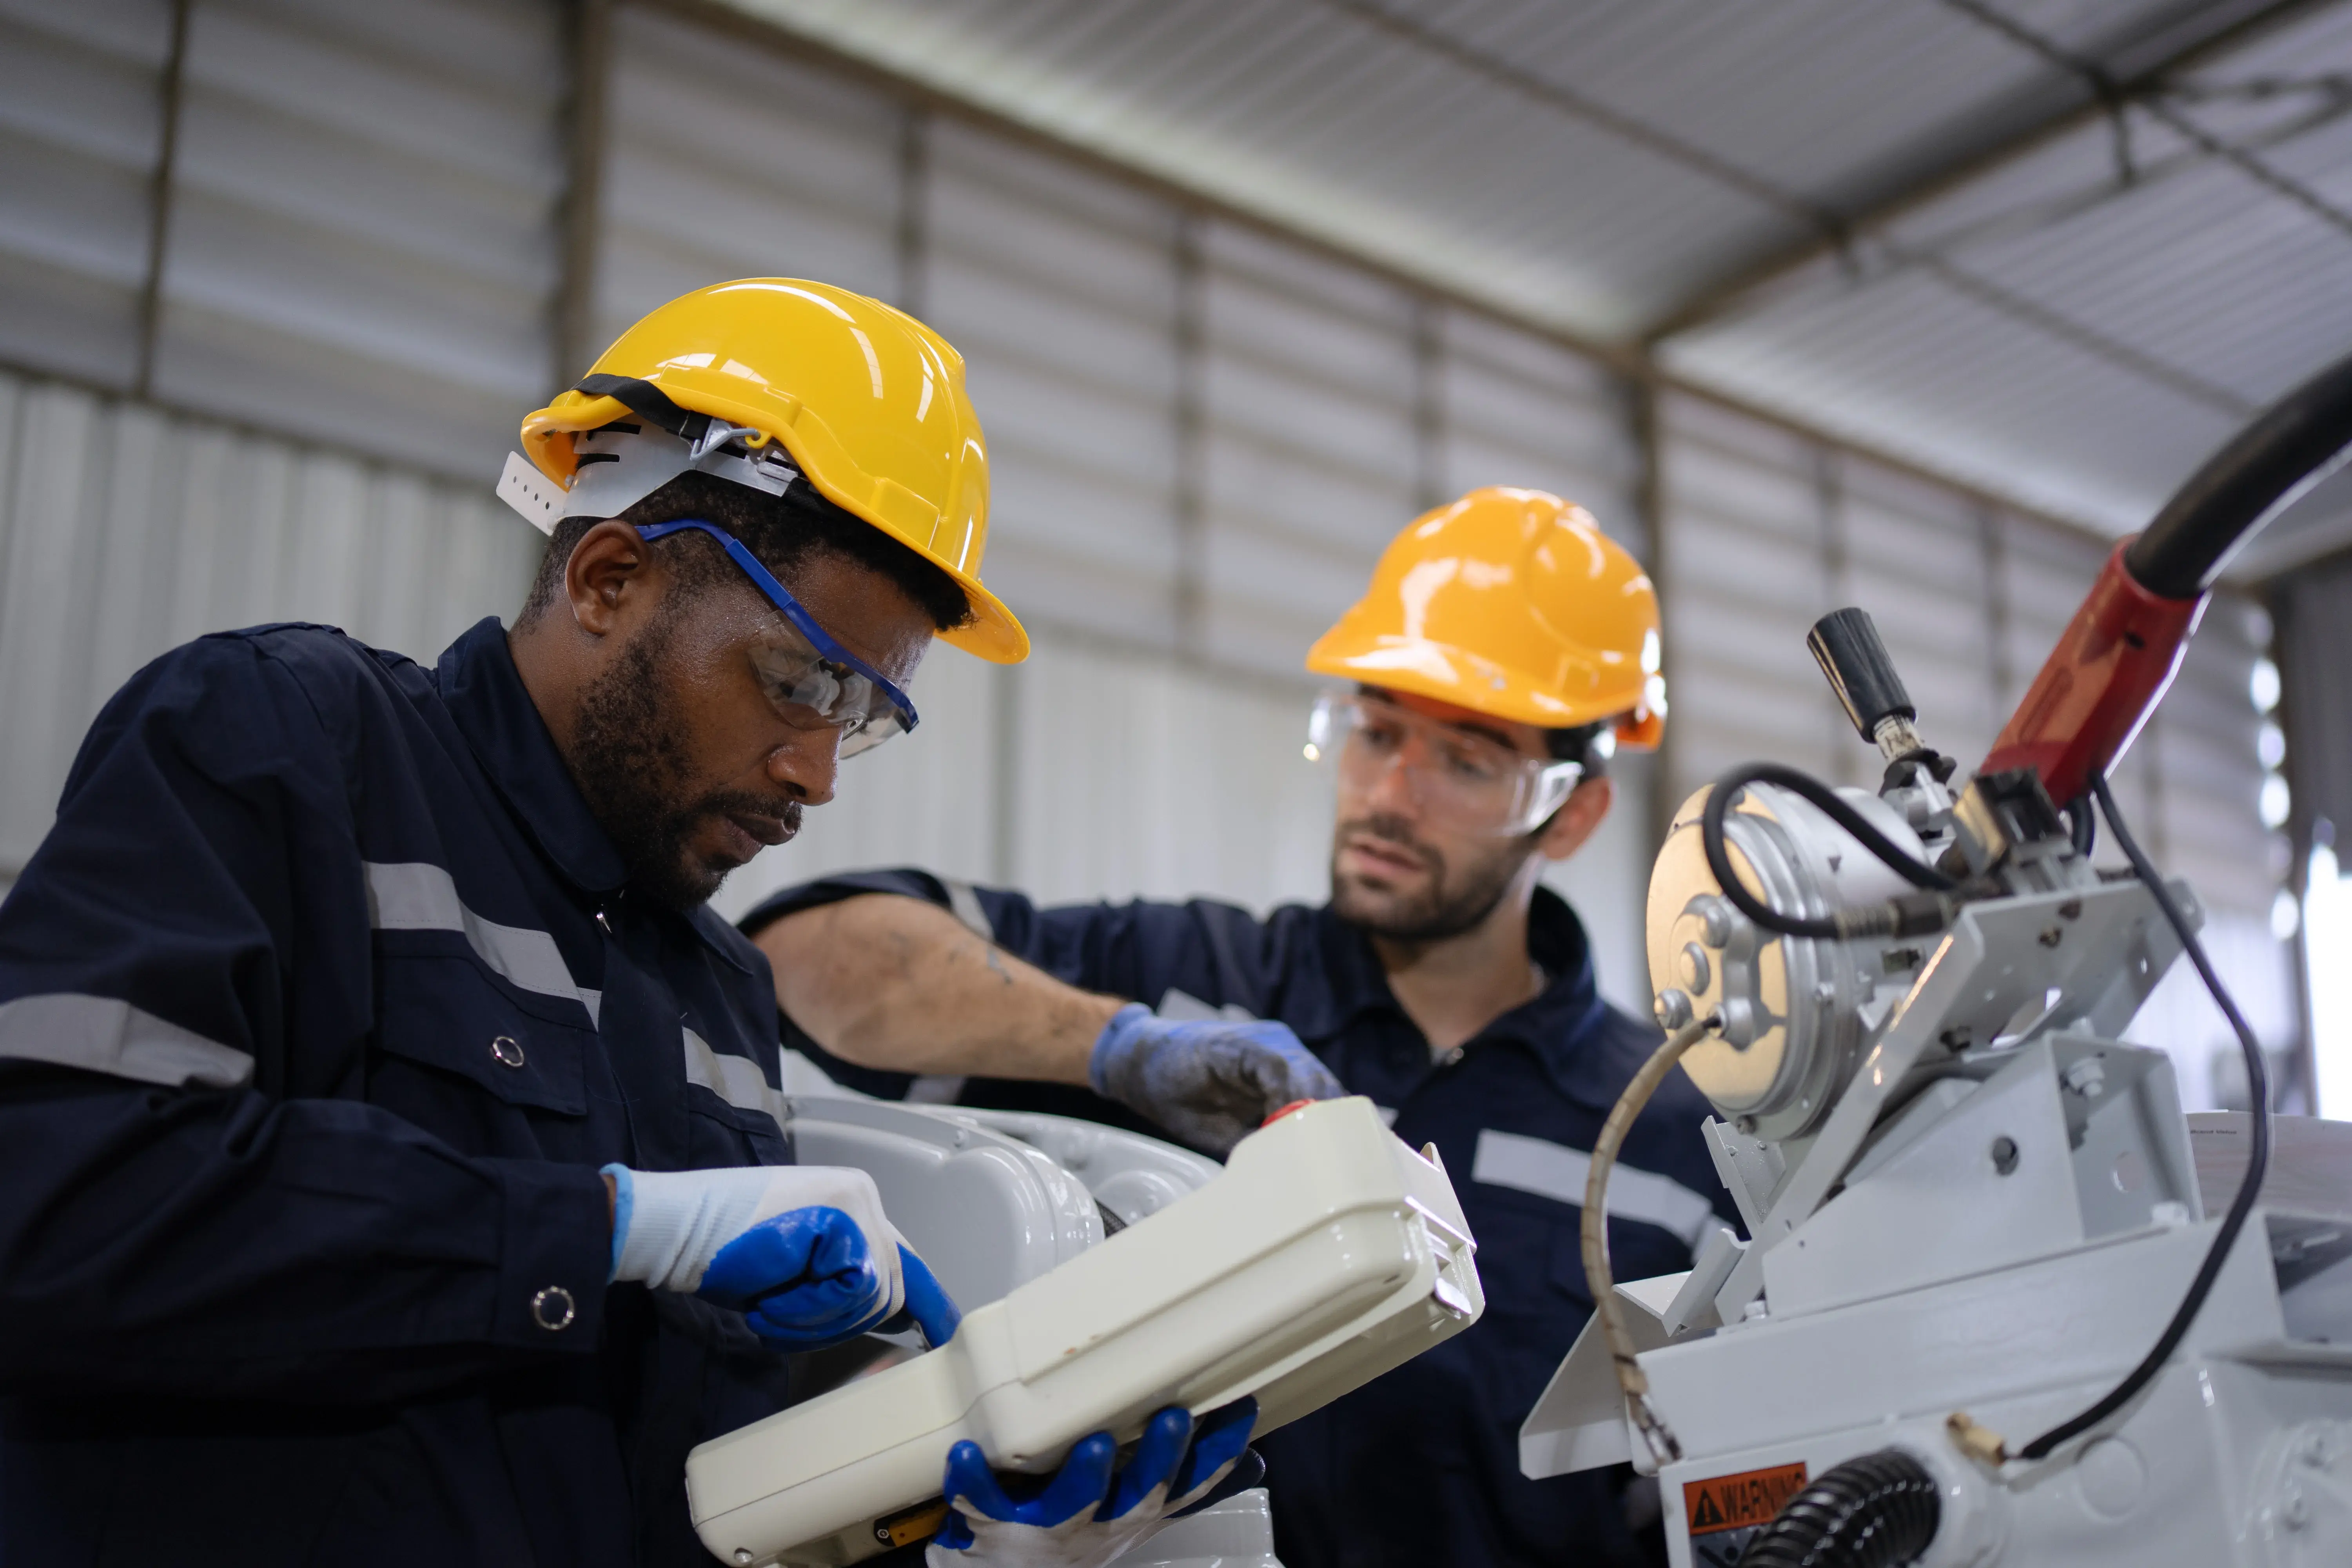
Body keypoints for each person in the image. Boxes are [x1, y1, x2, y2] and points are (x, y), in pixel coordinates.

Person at [0, 279, 1317, 1567]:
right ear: (611, 579)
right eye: (799, 681)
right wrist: (612, 1230)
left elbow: (705, 1482)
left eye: (864, 715)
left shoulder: (719, 989)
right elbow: (59, 1198)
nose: (819, 773)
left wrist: (962, 1503)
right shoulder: (286, 752)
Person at [745, 487, 1742, 1568]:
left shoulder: (1674, 1140)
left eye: (1465, 760)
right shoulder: (1194, 984)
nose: (1390, 796)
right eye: (1375, 733)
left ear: (1573, 808)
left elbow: (1710, 1501)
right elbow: (803, 957)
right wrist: (1115, 1047)